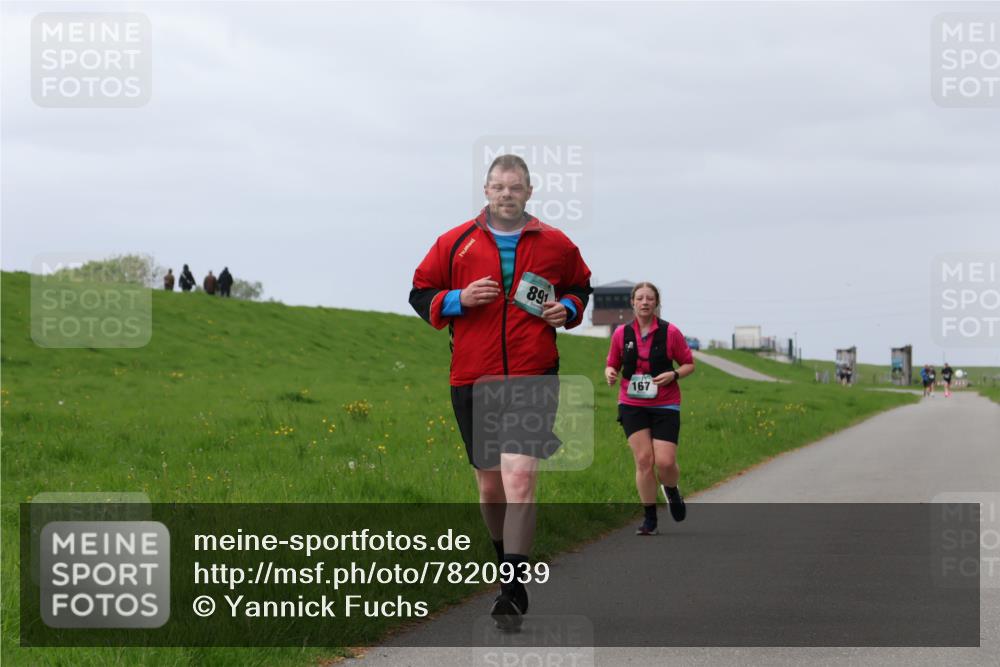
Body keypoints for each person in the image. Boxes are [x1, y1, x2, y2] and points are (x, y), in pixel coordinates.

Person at [409, 154, 592, 631]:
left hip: (534, 375)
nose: (506, 193)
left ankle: (512, 587)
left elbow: (579, 286)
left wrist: (566, 310)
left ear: (529, 192)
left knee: (520, 476)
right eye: (498, 186)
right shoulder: (454, 243)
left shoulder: (555, 242)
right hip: (473, 377)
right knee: (490, 486)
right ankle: (503, 562)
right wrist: (457, 300)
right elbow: (419, 291)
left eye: (515, 187)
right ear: (486, 192)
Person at [605, 283, 695, 536]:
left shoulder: (670, 332)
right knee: (644, 460)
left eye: (650, 298)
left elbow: (689, 364)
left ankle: (672, 490)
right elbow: (612, 363)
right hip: (632, 404)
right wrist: (610, 373)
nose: (645, 302)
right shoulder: (621, 334)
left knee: (665, 463)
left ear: (656, 303)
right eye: (640, 298)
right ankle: (650, 518)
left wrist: (674, 374)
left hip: (665, 403)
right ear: (632, 302)